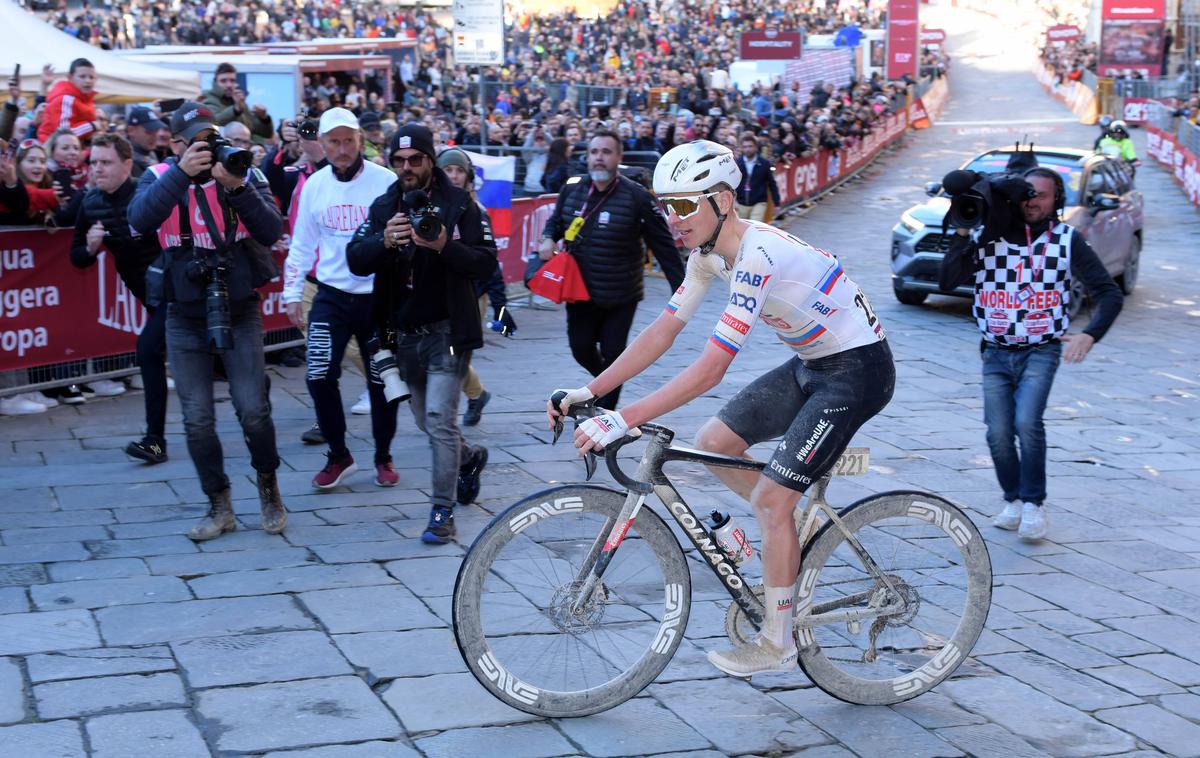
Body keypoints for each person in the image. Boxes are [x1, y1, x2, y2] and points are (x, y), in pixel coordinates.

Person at [548, 140, 894, 677]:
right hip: (811, 364)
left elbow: (710, 370)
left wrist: (624, 417)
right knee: (714, 444)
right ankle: (787, 528)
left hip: (858, 372)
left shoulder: (757, 255)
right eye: (666, 205)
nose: (672, 218)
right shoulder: (707, 256)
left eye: (685, 205)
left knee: (771, 502)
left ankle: (778, 641)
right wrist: (593, 392)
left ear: (724, 200)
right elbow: (663, 331)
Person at [129, 101, 287, 541]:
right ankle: (218, 504)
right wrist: (182, 172)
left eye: (210, 139)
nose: (207, 148)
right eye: (197, 141)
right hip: (183, 311)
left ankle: (269, 487)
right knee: (197, 417)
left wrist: (235, 187)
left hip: (239, 305)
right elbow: (138, 220)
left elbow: (272, 231)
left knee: (253, 408)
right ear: (177, 144)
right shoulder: (160, 177)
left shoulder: (241, 174)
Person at [939, 164, 1123, 541]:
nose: (1032, 201)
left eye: (1041, 194)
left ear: (1057, 199)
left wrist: (1091, 334)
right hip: (994, 352)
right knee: (998, 433)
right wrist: (962, 228)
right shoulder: (989, 237)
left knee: (1027, 423)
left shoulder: (1067, 239)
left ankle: (1034, 504)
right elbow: (946, 280)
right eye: (1026, 194)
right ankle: (1013, 500)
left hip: (1042, 350)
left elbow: (1109, 292)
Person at [347, 124, 496, 545]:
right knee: (424, 421)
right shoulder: (384, 206)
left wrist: (444, 246)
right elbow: (355, 259)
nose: (407, 167)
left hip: (449, 328)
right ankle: (468, 459)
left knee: (437, 417)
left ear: (431, 160)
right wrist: (384, 241)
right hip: (403, 332)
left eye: (415, 159)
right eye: (399, 160)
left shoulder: (461, 204)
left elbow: (486, 264)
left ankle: (441, 511)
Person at [283, 108, 399, 489]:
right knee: (318, 374)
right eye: (334, 141)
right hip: (331, 295)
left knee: (384, 381)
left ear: (361, 141)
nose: (343, 148)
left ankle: (383, 456)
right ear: (323, 143)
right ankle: (339, 455)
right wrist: (291, 292)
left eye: (349, 140)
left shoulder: (386, 180)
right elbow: (301, 243)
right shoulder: (314, 185)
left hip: (378, 296)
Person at [538, 129, 685, 409]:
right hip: (579, 291)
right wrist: (547, 237)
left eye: (606, 152)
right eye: (594, 152)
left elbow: (663, 245)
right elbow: (555, 222)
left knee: (613, 353)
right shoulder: (572, 189)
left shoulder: (637, 196)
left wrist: (682, 290)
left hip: (621, 294)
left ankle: (605, 416)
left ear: (618, 157)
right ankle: (606, 387)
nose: (599, 158)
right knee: (581, 348)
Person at [69, 134, 168, 462]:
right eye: (93, 162)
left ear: (127, 164)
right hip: (148, 296)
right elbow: (77, 257)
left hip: (179, 291)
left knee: (148, 350)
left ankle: (155, 441)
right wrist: (91, 248)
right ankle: (258, 394)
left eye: (105, 162)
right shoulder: (91, 203)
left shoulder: (149, 191)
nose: (97, 169)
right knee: (215, 355)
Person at [436, 147, 516, 426]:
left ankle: (454, 408)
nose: (454, 176)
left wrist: (500, 307)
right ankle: (476, 394)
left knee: (449, 353)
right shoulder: (430, 205)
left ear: (468, 176)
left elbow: (488, 261)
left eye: (459, 171)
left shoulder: (475, 211)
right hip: (438, 294)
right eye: (448, 170)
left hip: (470, 294)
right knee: (440, 352)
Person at [200, 63, 273, 144]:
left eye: (232, 80)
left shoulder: (238, 100)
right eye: (223, 81)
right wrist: (235, 109)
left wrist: (264, 119)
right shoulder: (208, 98)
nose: (229, 85)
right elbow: (214, 122)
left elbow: (262, 133)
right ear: (215, 82)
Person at [38, 58, 97, 144]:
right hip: (51, 150)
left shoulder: (86, 100)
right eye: (82, 76)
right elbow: (63, 134)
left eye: (91, 77)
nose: (88, 81)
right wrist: (92, 126)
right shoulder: (65, 99)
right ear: (70, 77)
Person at [734, 134, 780, 221]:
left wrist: (777, 203)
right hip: (741, 203)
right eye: (745, 147)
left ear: (756, 147)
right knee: (741, 230)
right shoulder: (737, 163)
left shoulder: (764, 163)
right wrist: (733, 201)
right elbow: (731, 184)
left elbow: (772, 183)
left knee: (754, 227)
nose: (747, 149)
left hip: (759, 202)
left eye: (750, 146)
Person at [125, 105, 168, 179]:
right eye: (149, 132)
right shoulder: (124, 161)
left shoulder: (149, 152)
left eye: (156, 130)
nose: (155, 136)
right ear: (131, 130)